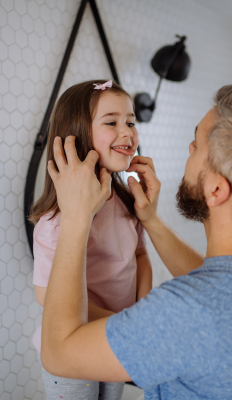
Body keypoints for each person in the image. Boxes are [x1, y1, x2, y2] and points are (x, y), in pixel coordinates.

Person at [38, 83, 232, 400]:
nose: (189, 148)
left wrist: (76, 217)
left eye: (197, 146)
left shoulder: (186, 313)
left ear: (216, 190)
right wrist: (151, 220)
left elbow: (57, 353)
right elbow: (218, 284)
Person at [29, 80, 152, 400]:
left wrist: (142, 311)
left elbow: (139, 256)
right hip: (71, 347)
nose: (127, 132)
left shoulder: (127, 202)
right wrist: (123, 323)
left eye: (131, 122)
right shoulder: (55, 222)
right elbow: (46, 296)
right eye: (111, 122)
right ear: (78, 135)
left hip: (117, 337)